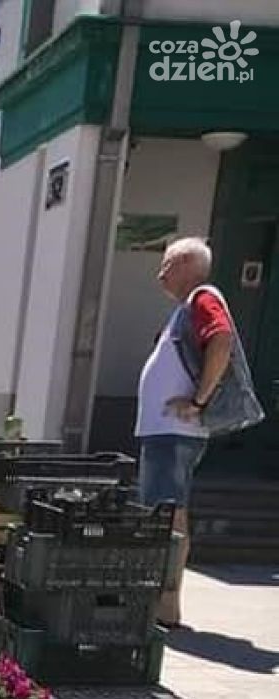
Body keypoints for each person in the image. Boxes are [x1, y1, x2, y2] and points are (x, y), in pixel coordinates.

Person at [136, 236, 237, 628]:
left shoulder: (203, 297)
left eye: (167, 264)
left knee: (168, 513)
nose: (160, 273)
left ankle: (165, 603)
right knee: (166, 510)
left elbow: (222, 339)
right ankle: (163, 600)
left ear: (186, 265)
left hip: (173, 431)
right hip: (166, 431)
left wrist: (198, 401)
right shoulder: (186, 308)